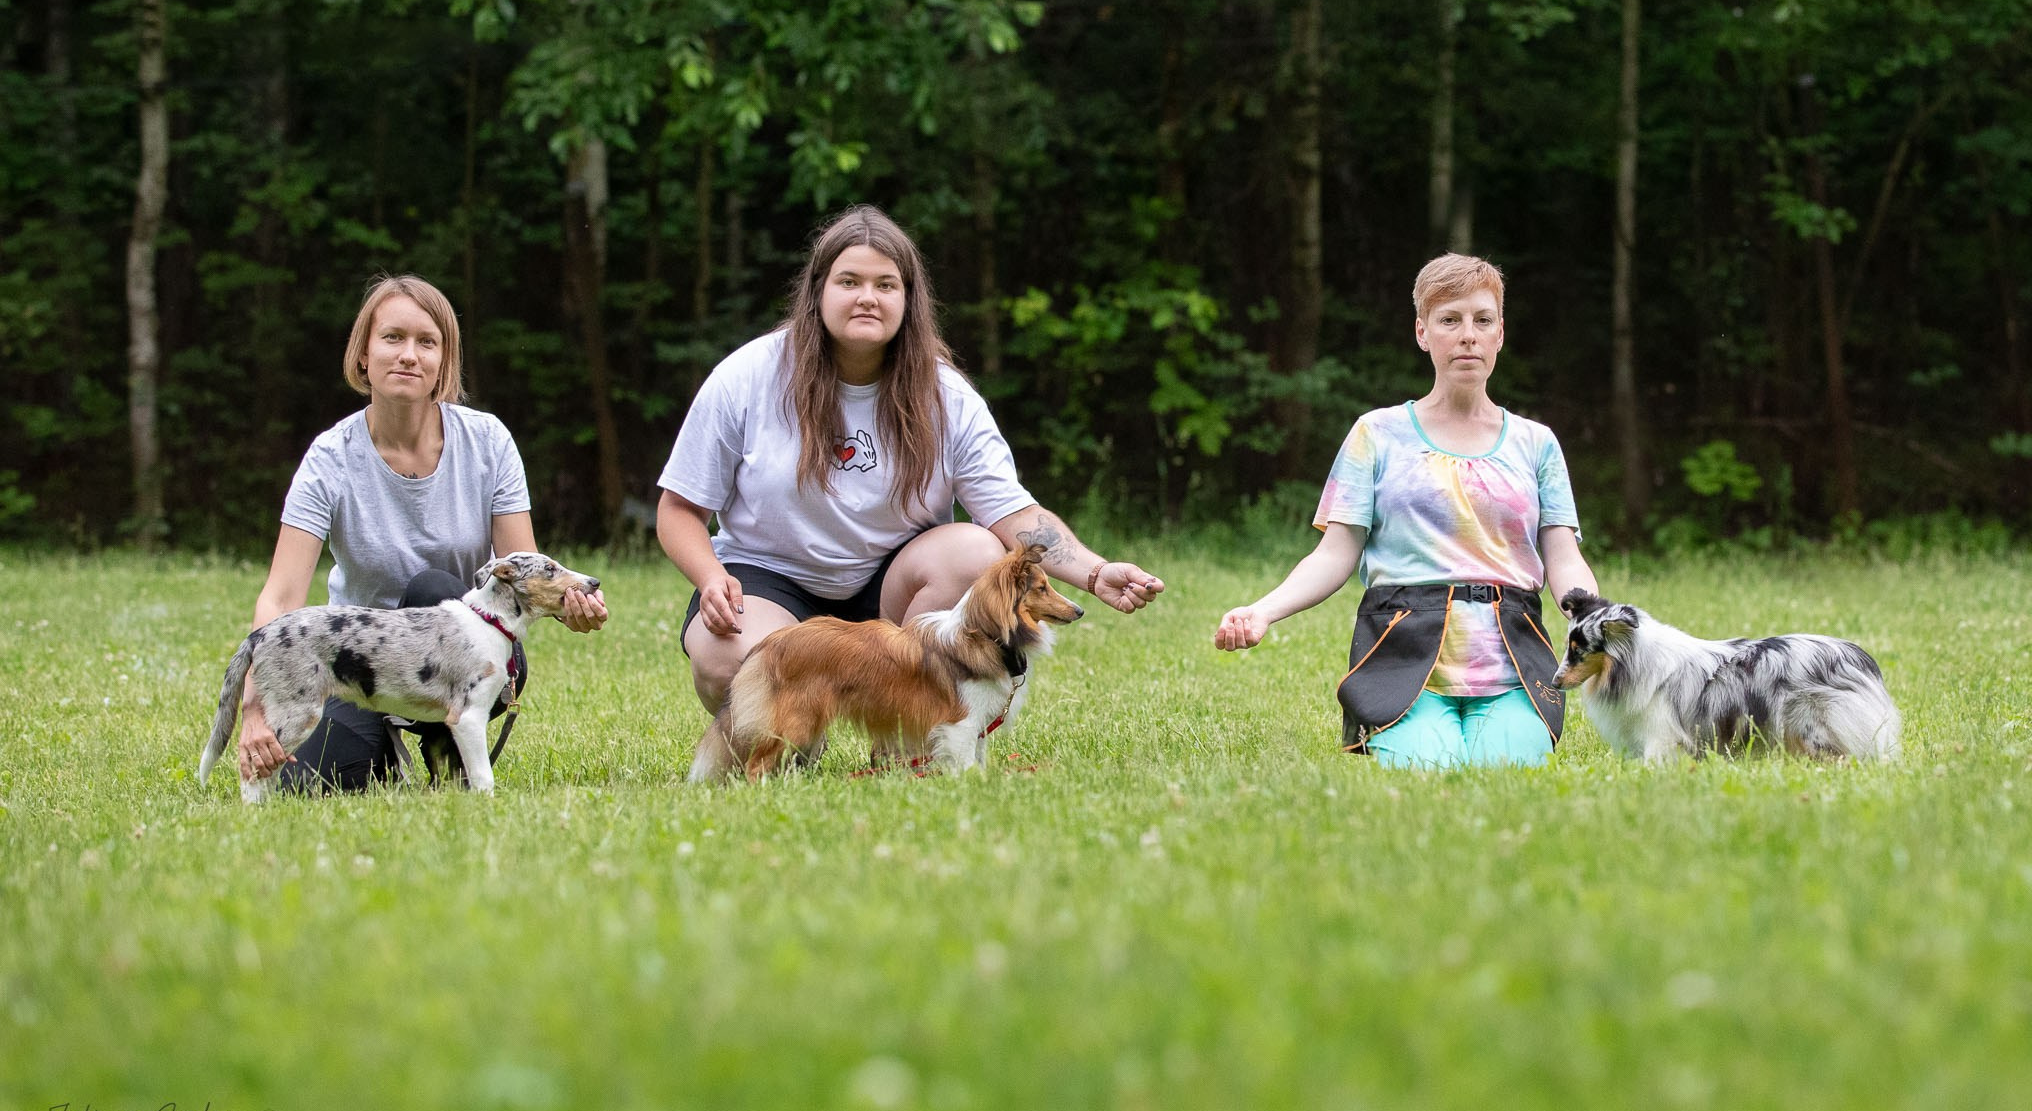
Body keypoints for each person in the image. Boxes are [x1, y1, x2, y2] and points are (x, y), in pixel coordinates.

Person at [660, 204, 1165, 715]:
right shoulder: (747, 376)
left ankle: (905, 734)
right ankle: (797, 736)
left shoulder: (946, 395)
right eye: (849, 281)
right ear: (817, 291)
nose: (867, 298)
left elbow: (1013, 514)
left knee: (975, 551)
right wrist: (710, 578)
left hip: (895, 592)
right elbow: (679, 509)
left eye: (886, 285)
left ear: (908, 298)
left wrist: (1096, 573)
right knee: (728, 660)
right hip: (771, 579)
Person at [1214, 253, 1597, 767]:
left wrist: (1598, 624)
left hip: (1513, 664)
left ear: (1500, 333)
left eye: (1483, 320)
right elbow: (1335, 554)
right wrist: (1263, 611)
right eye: (1449, 320)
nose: (1468, 335)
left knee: (1503, 777)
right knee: (1429, 774)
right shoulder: (1376, 433)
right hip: (1401, 659)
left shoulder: (1538, 444)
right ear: (1422, 332)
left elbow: (1563, 557)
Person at [231, 275, 608, 792]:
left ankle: (445, 754)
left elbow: (526, 568)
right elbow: (281, 597)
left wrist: (572, 609)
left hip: (468, 657)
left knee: (433, 590)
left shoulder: (488, 441)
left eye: (426, 342)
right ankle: (382, 742)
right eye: (392, 338)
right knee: (314, 783)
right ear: (363, 355)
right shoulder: (329, 457)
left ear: (443, 364)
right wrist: (255, 704)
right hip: (361, 663)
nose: (409, 355)